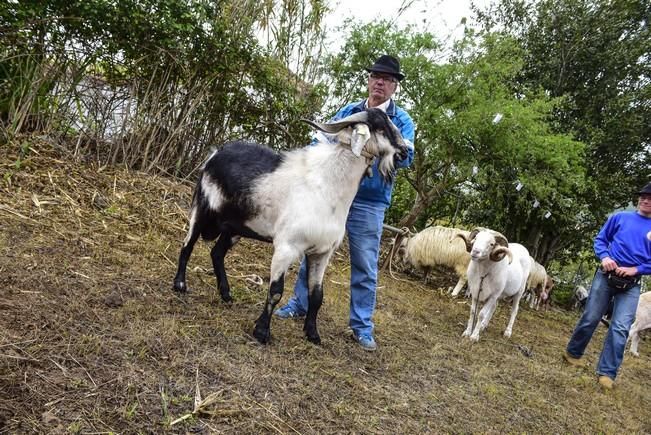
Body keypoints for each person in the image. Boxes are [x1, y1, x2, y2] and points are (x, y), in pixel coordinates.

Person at [274, 55, 415, 351]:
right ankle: (299, 304)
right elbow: (321, 142)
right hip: (331, 197)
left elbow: (406, 157)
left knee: (364, 264)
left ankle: (361, 326)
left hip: (368, 202)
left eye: (387, 79)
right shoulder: (350, 112)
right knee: (312, 248)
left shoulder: (400, 121)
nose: (379, 81)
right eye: (375, 75)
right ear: (369, 80)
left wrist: (381, 146)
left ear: (394, 87)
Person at [563, 182, 651, 389]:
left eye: (650, 198)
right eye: (643, 197)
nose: (646, 200)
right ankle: (573, 353)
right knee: (591, 317)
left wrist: (636, 269)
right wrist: (604, 257)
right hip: (606, 275)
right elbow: (601, 240)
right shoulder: (620, 218)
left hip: (631, 283)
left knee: (620, 327)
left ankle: (607, 373)